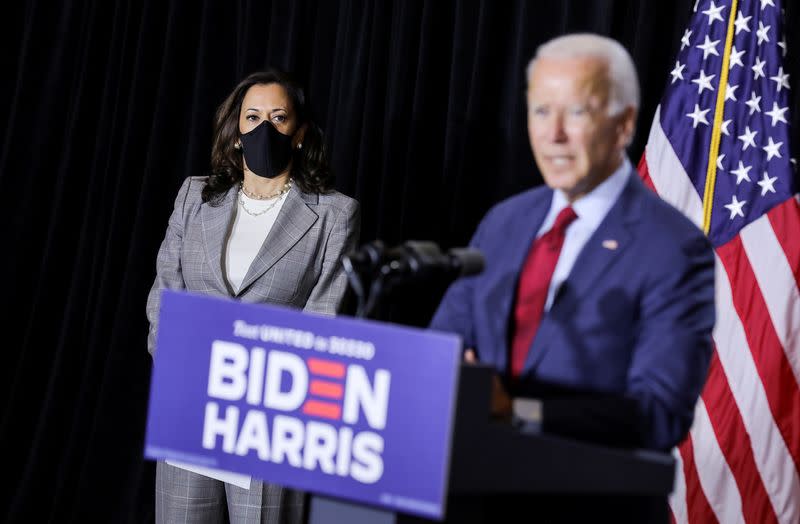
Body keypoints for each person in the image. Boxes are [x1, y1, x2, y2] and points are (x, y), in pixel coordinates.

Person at [430, 34, 715, 521]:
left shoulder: (673, 248)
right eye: (541, 111)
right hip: (470, 499)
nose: (553, 134)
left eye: (576, 112)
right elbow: (442, 350)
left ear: (624, 124)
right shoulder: (504, 222)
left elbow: (659, 412)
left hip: (588, 509)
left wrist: (517, 414)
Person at [145, 68, 360, 523]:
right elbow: (166, 290)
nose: (265, 128)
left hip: (268, 417)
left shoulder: (334, 215)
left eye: (279, 117)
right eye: (253, 116)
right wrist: (176, 367)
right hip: (191, 403)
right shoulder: (194, 196)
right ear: (236, 131)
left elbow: (326, 313)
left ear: (299, 133)